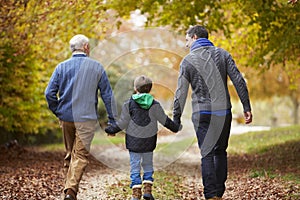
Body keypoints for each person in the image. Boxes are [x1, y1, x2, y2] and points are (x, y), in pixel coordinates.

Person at [173, 25, 252, 200]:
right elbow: (238, 80)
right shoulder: (223, 54)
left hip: (202, 113)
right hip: (223, 112)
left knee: (207, 153)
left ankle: (211, 195)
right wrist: (246, 107)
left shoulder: (187, 61)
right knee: (220, 151)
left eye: (187, 40)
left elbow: (180, 92)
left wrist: (176, 118)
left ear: (194, 37)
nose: (186, 45)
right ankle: (219, 191)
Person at [45, 34, 117, 200]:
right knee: (81, 156)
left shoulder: (61, 67)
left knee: (70, 154)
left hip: (66, 118)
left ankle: (69, 191)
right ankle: (70, 191)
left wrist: (59, 111)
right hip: (86, 119)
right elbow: (107, 95)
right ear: (85, 47)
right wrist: (112, 121)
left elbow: (49, 93)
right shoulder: (97, 67)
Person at [105, 75, 181, 200]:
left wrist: (111, 129)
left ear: (135, 88)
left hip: (133, 142)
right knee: (148, 164)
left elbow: (123, 122)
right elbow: (165, 120)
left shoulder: (129, 104)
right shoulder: (155, 104)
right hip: (149, 141)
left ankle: (136, 194)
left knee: (135, 166)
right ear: (150, 89)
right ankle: (147, 191)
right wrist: (175, 127)